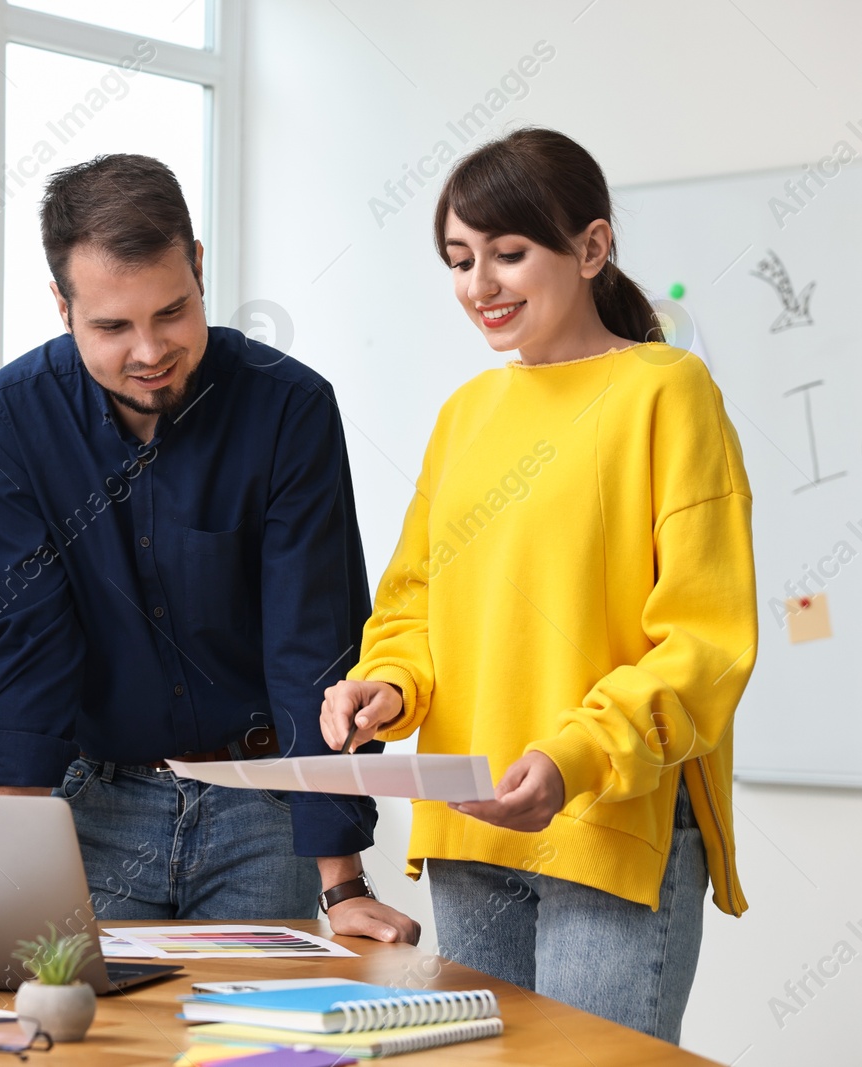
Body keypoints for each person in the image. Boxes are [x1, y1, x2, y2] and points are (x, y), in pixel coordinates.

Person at [321, 127, 755, 1041]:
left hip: (607, 819)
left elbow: (704, 641)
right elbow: (413, 605)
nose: (480, 285)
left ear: (592, 249)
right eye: (460, 258)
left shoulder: (666, 392)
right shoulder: (466, 414)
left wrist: (574, 757)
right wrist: (387, 686)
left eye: (509, 253)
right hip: (469, 834)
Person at [0, 153, 419, 941]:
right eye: (112, 326)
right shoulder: (13, 416)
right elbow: (29, 644)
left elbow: (309, 646)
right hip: (97, 806)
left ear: (200, 267)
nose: (149, 351)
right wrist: (8, 857)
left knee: (250, 1055)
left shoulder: (291, 409)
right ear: (62, 305)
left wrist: (341, 882)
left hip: (261, 807)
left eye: (171, 312)